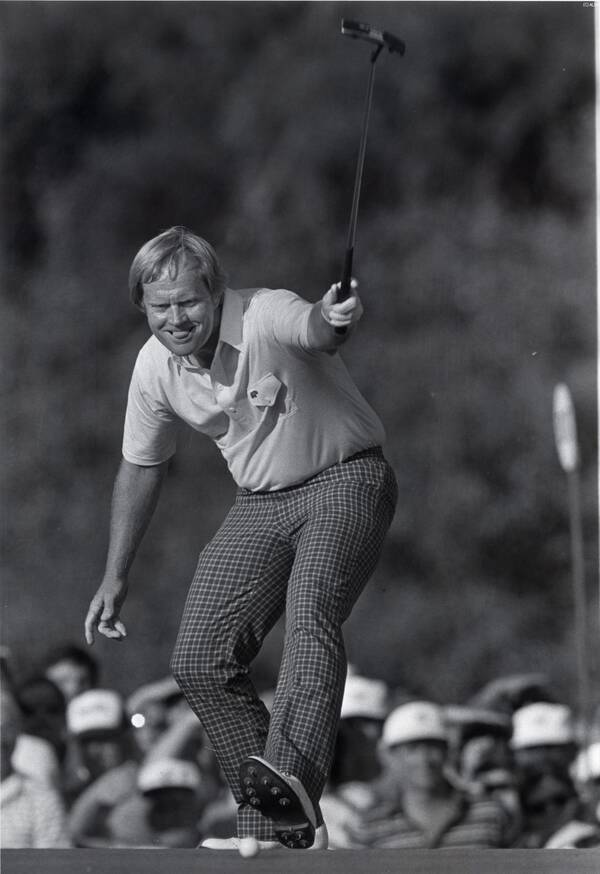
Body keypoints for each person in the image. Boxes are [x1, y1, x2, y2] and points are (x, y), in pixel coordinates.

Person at [83, 226, 397, 851]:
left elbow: (315, 328)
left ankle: (296, 791)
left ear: (216, 292)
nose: (176, 319)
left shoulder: (264, 313)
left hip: (346, 478)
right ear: (142, 305)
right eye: (160, 306)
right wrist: (115, 575)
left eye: (188, 302)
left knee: (310, 615)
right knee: (199, 658)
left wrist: (334, 317)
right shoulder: (153, 367)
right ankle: (274, 828)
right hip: (259, 503)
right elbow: (141, 466)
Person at [349, 701, 510, 849]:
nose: (424, 759)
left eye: (433, 747)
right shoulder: (371, 826)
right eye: (412, 749)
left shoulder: (490, 814)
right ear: (390, 756)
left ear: (447, 751)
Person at [1, 688, 71, 848]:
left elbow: (55, 860)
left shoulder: (42, 799)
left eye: (5, 728)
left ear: (18, 732)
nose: (1, 738)